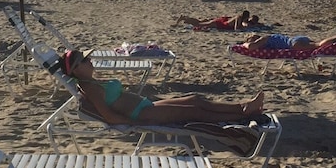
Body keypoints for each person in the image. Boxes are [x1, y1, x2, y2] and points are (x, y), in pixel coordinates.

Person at [58, 48, 264, 126]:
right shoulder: (89, 87)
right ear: (75, 70)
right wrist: (132, 123)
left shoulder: (91, 81)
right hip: (143, 114)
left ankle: (243, 106)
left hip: (147, 106)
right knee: (195, 112)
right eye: (85, 60)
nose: (90, 60)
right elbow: (108, 115)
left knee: (194, 99)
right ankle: (242, 115)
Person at [241, 30, 336, 51]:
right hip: (296, 39)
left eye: (250, 38)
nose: (249, 40)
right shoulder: (269, 38)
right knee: (317, 44)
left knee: (318, 45)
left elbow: (251, 47)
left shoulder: (264, 38)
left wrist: (244, 44)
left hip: (294, 44)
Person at [176, 10, 251, 30]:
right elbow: (236, 28)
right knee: (200, 24)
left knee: (201, 22)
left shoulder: (238, 16)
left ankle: (185, 18)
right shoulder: (239, 18)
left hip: (222, 22)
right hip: (220, 24)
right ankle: (185, 18)